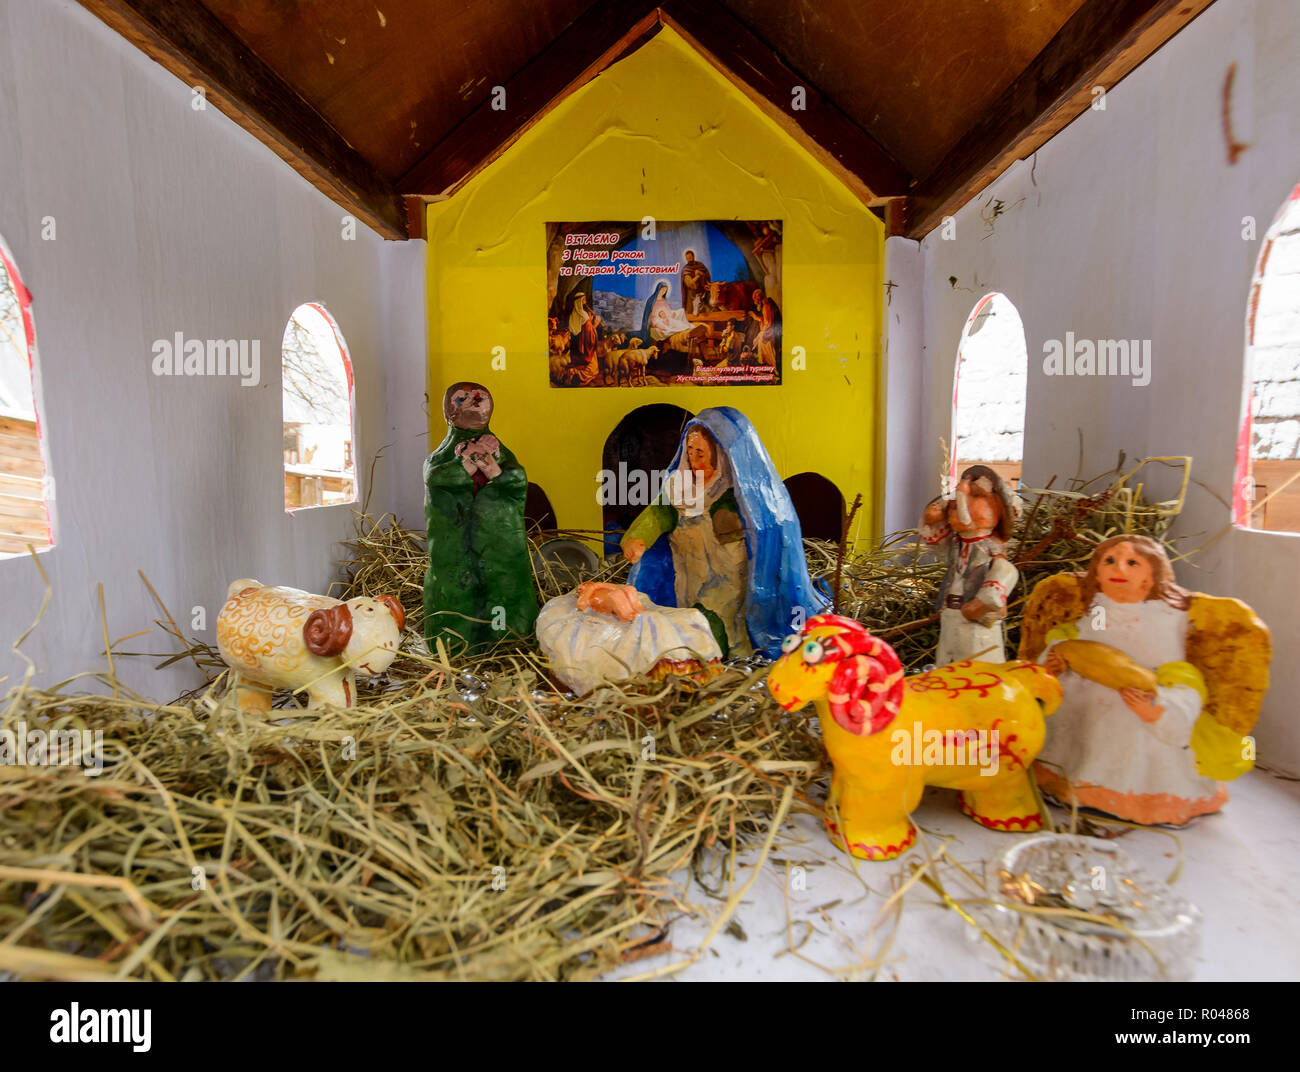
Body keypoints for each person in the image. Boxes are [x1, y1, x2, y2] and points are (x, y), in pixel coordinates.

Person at [1031, 536, 1236, 825]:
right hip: (1093, 678)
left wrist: (1159, 700)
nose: (1120, 570)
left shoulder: (1169, 614)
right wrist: (1056, 662)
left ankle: (1137, 793)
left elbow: (1173, 665)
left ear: (1151, 576)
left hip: (1149, 684)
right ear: (1097, 572)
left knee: (1132, 714)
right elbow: (1086, 640)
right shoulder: (1098, 608)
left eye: (1132, 563)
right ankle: (1071, 781)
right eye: (1110, 561)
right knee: (1075, 706)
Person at [620, 407, 826, 658]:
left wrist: (734, 525)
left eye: (703, 454)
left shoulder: (740, 492)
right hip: (687, 569)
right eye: (691, 452)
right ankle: (698, 652)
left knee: (722, 617)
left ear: (723, 456)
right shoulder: (678, 488)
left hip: (728, 575)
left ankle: (730, 654)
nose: (696, 462)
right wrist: (638, 537)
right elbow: (657, 515)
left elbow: (767, 527)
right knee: (689, 614)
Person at [423, 382, 537, 652]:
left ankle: (508, 641)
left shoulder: (499, 449)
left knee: (504, 584)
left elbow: (517, 479)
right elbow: (438, 477)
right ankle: (455, 644)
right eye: (462, 399)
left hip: (497, 538)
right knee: (456, 587)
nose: (473, 402)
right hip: (455, 539)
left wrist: (491, 468)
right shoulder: (441, 455)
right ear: (449, 411)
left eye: (479, 398)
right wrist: (475, 460)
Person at [920, 465, 1021, 664]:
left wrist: (987, 599)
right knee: (947, 665)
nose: (961, 503)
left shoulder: (990, 546)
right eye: (956, 501)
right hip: (951, 616)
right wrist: (932, 519)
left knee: (977, 668)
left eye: (976, 495)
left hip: (977, 623)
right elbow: (931, 540)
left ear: (999, 507)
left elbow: (1006, 570)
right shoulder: (956, 543)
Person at [681, 249, 712, 316]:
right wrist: (697, 276)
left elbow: (707, 276)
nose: (689, 259)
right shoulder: (686, 269)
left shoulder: (700, 265)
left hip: (703, 291)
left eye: (690, 257)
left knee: (710, 309)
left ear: (693, 256)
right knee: (691, 312)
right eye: (687, 258)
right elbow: (690, 284)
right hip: (692, 294)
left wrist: (700, 273)